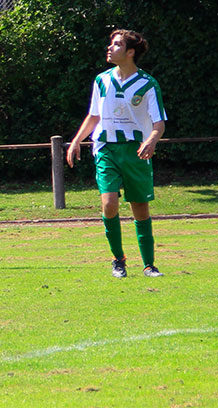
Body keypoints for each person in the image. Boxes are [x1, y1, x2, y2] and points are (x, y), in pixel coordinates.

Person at [66, 29, 166, 279]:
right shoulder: (102, 80)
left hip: (135, 150)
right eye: (111, 44)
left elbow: (159, 123)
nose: (110, 48)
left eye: (117, 44)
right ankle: (118, 260)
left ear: (130, 52)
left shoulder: (147, 83)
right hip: (106, 148)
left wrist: (151, 141)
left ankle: (149, 265)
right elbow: (94, 116)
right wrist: (76, 141)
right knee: (109, 204)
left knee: (139, 208)